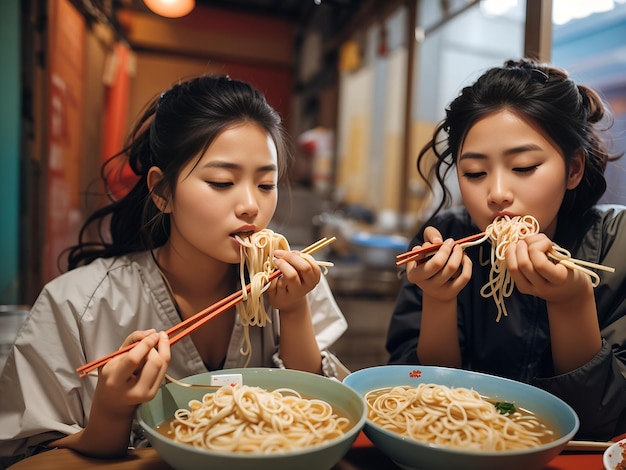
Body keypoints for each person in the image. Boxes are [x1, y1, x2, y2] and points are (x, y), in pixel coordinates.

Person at [0, 75, 349, 466]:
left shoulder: (296, 278)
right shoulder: (76, 303)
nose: (251, 204)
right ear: (162, 192)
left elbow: (321, 422)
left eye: (266, 184)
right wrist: (110, 415)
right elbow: (28, 458)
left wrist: (295, 310)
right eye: (222, 182)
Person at [386, 58, 626, 440]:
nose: (497, 194)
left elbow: (600, 424)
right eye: (475, 173)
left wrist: (571, 302)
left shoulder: (619, 242)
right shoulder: (443, 240)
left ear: (574, 169)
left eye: (525, 166)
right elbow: (423, 404)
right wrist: (439, 300)